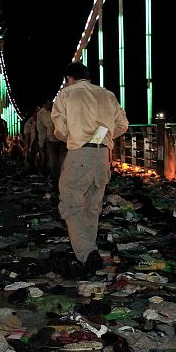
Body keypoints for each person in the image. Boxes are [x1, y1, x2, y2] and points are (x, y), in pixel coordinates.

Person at [52, 62, 128, 274]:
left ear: (69, 78)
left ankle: (87, 253)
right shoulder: (107, 94)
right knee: (93, 206)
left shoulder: (67, 93)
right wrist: (103, 136)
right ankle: (90, 251)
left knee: (71, 205)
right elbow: (123, 125)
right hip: (102, 154)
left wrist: (74, 136)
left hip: (80, 153)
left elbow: (59, 130)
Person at [39, 100, 65, 186]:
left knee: (63, 163)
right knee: (53, 164)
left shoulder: (61, 107)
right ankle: (56, 184)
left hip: (63, 141)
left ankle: (63, 183)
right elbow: (41, 130)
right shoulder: (41, 114)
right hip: (51, 141)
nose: (46, 106)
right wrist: (41, 144)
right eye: (44, 104)